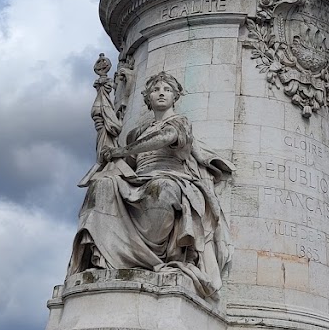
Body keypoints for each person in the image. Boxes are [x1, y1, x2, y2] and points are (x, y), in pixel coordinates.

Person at [68, 70, 231, 299]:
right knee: (103, 185)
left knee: (162, 189)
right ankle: (105, 257)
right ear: (147, 98)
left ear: (175, 97)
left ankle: (154, 257)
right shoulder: (138, 132)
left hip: (170, 177)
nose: (161, 93)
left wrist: (122, 150)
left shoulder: (180, 122)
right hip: (138, 181)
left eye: (167, 90)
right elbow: (126, 163)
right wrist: (107, 150)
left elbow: (165, 137)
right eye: (156, 90)